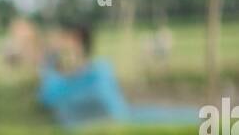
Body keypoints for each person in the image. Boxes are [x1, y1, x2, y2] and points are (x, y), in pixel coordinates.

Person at [38, 24, 199, 128]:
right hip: (114, 121)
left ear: (76, 41)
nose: (58, 45)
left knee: (177, 117)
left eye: (63, 39)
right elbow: (49, 98)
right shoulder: (61, 78)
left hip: (119, 120)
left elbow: (106, 105)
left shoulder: (98, 72)